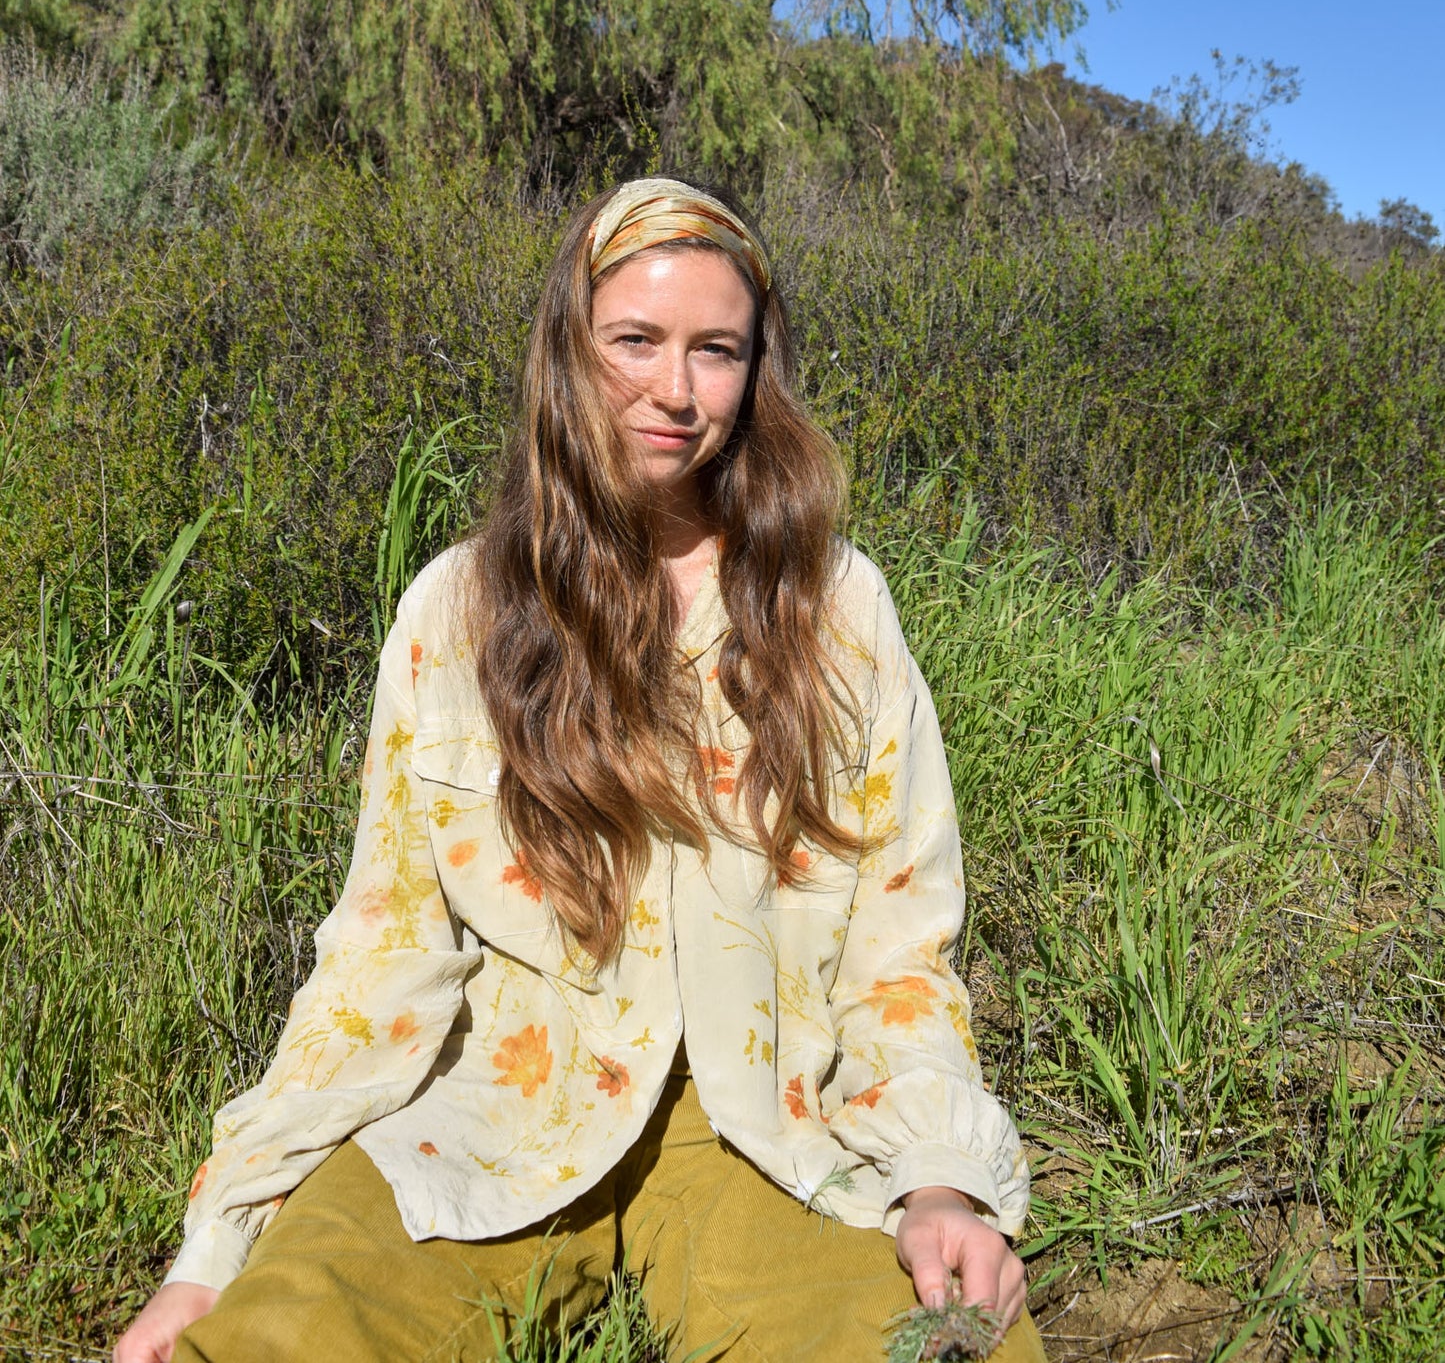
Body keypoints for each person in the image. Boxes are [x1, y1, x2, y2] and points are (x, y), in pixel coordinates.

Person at [115, 177, 1044, 1363]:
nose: (675, 389)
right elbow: (381, 951)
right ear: (568, 348)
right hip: (495, 1105)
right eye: (634, 341)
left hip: (763, 1119)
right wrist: (215, 1250)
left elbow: (897, 945)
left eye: (716, 350)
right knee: (279, 1340)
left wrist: (936, 1178)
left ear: (756, 370)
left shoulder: (834, 607)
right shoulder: (457, 611)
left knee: (936, 1344)